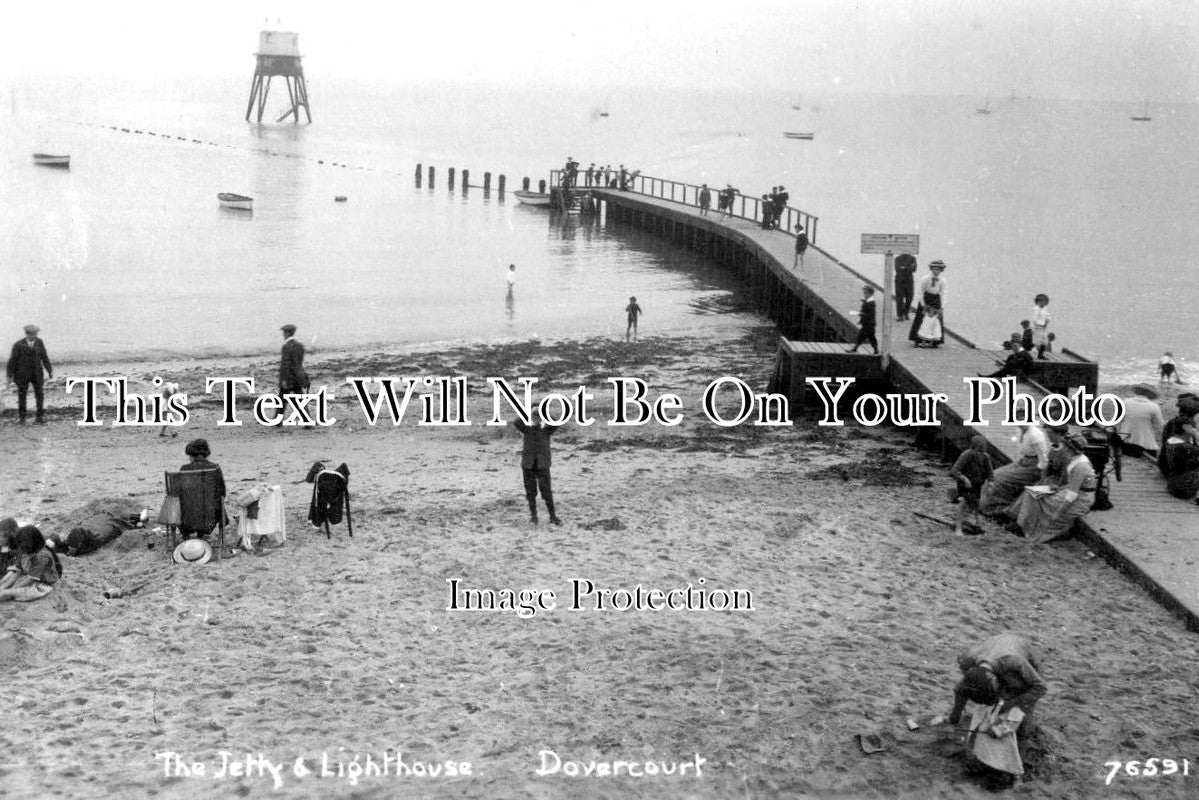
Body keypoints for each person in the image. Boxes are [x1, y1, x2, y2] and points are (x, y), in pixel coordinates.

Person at [945, 632, 1046, 745]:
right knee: (992, 701)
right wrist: (955, 715)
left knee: (1022, 710)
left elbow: (1040, 688)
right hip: (996, 650)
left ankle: (1023, 738)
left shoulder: (1015, 662)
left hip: (1022, 652)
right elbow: (962, 689)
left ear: (994, 679)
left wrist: (1012, 704)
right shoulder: (967, 660)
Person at [1007, 432, 1097, 542]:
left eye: (1064, 446)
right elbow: (1072, 484)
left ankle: (1030, 528)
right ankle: (1022, 524)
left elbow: (1073, 494)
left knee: (1042, 500)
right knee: (1031, 492)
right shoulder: (1075, 460)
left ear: (1069, 449)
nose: (1062, 448)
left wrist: (1058, 512)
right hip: (1070, 490)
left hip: (1081, 499)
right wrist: (1059, 488)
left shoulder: (1080, 466)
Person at [978, 422, 1051, 516]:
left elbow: (1044, 461)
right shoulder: (1019, 430)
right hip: (1024, 460)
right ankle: (981, 503)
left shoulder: (1036, 436)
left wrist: (1042, 480)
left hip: (1035, 466)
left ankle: (993, 509)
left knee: (999, 479)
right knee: (993, 474)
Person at [513, 414, 561, 525]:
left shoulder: (547, 429)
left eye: (538, 415)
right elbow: (516, 422)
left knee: (547, 491)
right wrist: (528, 413)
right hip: (528, 464)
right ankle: (534, 516)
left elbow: (557, 422)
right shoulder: (526, 428)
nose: (536, 417)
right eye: (535, 415)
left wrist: (545, 413)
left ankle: (552, 516)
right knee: (530, 491)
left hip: (542, 464)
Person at [179, 439, 227, 540]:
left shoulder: (184, 469)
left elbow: (179, 493)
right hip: (210, 518)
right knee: (217, 502)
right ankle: (204, 534)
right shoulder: (215, 468)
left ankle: (187, 534)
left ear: (191, 455)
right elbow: (222, 492)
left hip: (187, 519)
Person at [0, 525, 61, 602]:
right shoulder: (23, 549)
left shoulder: (42, 556)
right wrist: (3, 586)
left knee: (8, 594)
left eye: (25, 548)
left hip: (44, 583)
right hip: (29, 575)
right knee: (5, 584)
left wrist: (10, 590)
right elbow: (17, 571)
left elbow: (31, 580)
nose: (22, 550)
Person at [7, 324, 53, 424]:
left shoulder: (39, 342)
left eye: (35, 334)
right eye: (31, 334)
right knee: (22, 395)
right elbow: (12, 361)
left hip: (37, 373)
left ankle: (40, 417)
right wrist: (9, 375)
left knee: (39, 394)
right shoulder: (18, 344)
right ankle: (22, 418)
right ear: (27, 334)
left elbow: (44, 357)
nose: (34, 336)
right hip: (22, 374)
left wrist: (49, 370)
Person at [951, 436, 995, 535]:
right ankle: (958, 529)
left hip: (977, 484)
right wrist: (964, 479)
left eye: (981, 451)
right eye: (977, 451)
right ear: (973, 448)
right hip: (965, 485)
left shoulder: (985, 456)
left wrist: (991, 483)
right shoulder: (966, 455)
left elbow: (990, 472)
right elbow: (955, 470)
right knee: (963, 504)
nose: (978, 453)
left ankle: (977, 524)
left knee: (976, 503)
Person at [1117, 384, 1165, 458]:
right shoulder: (1154, 406)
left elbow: (1118, 421)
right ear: (1150, 394)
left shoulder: (1125, 402)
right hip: (1145, 445)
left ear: (1137, 391)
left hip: (1124, 442)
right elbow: (1161, 426)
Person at [908, 260, 947, 347]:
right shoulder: (925, 278)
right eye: (934, 269)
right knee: (921, 319)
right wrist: (922, 303)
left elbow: (944, 293)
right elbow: (920, 291)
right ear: (931, 269)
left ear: (941, 270)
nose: (936, 271)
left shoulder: (942, 280)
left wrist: (942, 306)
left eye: (938, 270)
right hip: (926, 298)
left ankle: (935, 341)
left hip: (936, 299)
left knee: (936, 320)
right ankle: (917, 340)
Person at [278, 324, 310, 400]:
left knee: (281, 403)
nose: (283, 334)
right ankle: (305, 412)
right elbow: (299, 363)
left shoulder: (286, 347)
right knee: (300, 400)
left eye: (284, 332)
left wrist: (284, 380)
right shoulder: (300, 346)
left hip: (289, 378)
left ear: (287, 333)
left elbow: (286, 364)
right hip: (298, 377)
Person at [847, 286, 878, 354]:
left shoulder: (871, 303)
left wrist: (861, 313)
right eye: (864, 293)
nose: (864, 295)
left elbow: (870, 314)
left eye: (866, 293)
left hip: (869, 324)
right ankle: (855, 348)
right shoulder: (868, 301)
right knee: (863, 336)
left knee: (870, 337)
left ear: (870, 294)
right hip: (866, 323)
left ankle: (875, 350)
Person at [893, 254, 917, 321]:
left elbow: (914, 269)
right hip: (899, 281)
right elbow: (897, 269)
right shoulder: (897, 258)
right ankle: (900, 315)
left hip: (909, 281)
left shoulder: (912, 258)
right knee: (899, 299)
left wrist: (904, 267)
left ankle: (906, 312)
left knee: (910, 298)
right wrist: (909, 267)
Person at [1031, 294, 1051, 360]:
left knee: (1044, 341)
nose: (1042, 302)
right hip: (1037, 328)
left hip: (1044, 328)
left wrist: (1047, 321)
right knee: (1037, 342)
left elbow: (1048, 316)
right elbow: (1035, 320)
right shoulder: (1035, 309)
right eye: (1040, 301)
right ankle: (1036, 354)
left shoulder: (1045, 309)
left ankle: (1041, 355)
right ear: (1037, 301)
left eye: (1044, 301)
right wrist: (1042, 324)